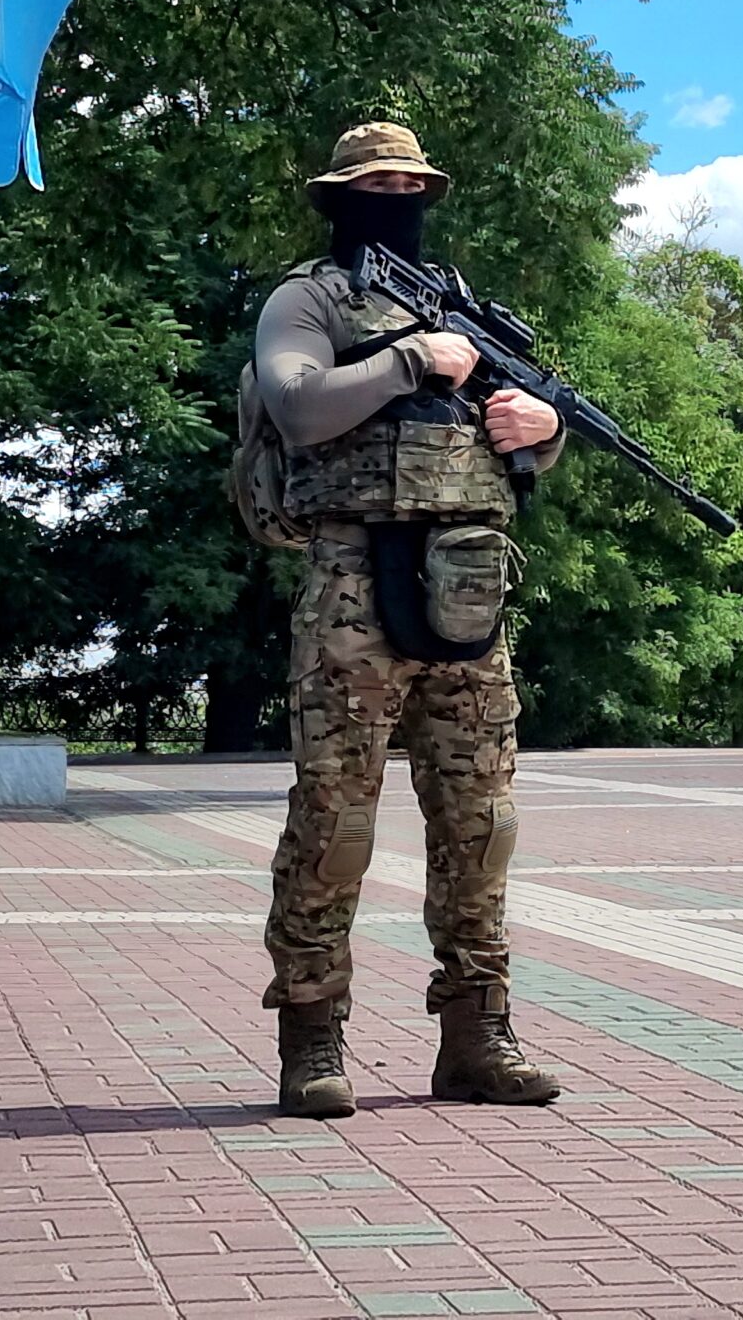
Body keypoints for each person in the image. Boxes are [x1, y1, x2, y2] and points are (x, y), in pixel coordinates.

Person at [251, 121, 565, 1117]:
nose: (396, 200)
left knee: (481, 825)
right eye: (377, 186)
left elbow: (516, 430)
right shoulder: (308, 299)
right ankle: (312, 1037)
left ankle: (477, 1034)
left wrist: (544, 428)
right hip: (352, 586)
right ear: (339, 195)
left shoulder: (463, 306)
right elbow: (298, 405)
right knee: (335, 818)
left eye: (409, 186)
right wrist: (409, 361)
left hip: (469, 587)